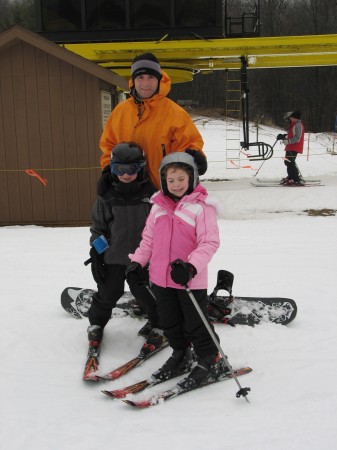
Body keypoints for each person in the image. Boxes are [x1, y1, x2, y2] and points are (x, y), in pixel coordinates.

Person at [126, 152, 229, 389]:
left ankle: (210, 359)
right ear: (163, 182)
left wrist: (191, 267)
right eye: (170, 180)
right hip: (160, 280)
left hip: (188, 281)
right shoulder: (158, 208)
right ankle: (181, 355)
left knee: (195, 323)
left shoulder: (201, 209)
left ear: (192, 177)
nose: (176, 185)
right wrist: (138, 262)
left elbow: (209, 243)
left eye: (181, 178)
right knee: (170, 322)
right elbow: (148, 240)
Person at [87, 142, 163, 355]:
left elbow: (159, 226)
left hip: (142, 259)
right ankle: (96, 324)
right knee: (108, 293)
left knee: (147, 294)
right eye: (120, 169)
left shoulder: (150, 195)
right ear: (112, 168)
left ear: (141, 168)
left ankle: (159, 324)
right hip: (113, 257)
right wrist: (97, 252)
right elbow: (99, 227)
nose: (127, 174)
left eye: (133, 169)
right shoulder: (107, 196)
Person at [97, 52, 207, 194]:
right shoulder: (120, 112)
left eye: (151, 77)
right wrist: (107, 170)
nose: (145, 83)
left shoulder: (175, 113)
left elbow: (190, 144)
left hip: (165, 195)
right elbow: (108, 146)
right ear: (133, 80)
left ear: (159, 80)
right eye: (140, 77)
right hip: (130, 195)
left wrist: (195, 159)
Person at [278, 111, 305, 185]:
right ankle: (291, 176)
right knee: (287, 162)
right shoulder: (294, 124)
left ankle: (297, 179)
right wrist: (283, 136)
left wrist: (288, 141)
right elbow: (291, 134)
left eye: (291, 117)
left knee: (290, 162)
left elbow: (297, 137)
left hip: (294, 146)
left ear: (295, 118)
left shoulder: (298, 125)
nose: (290, 118)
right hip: (290, 146)